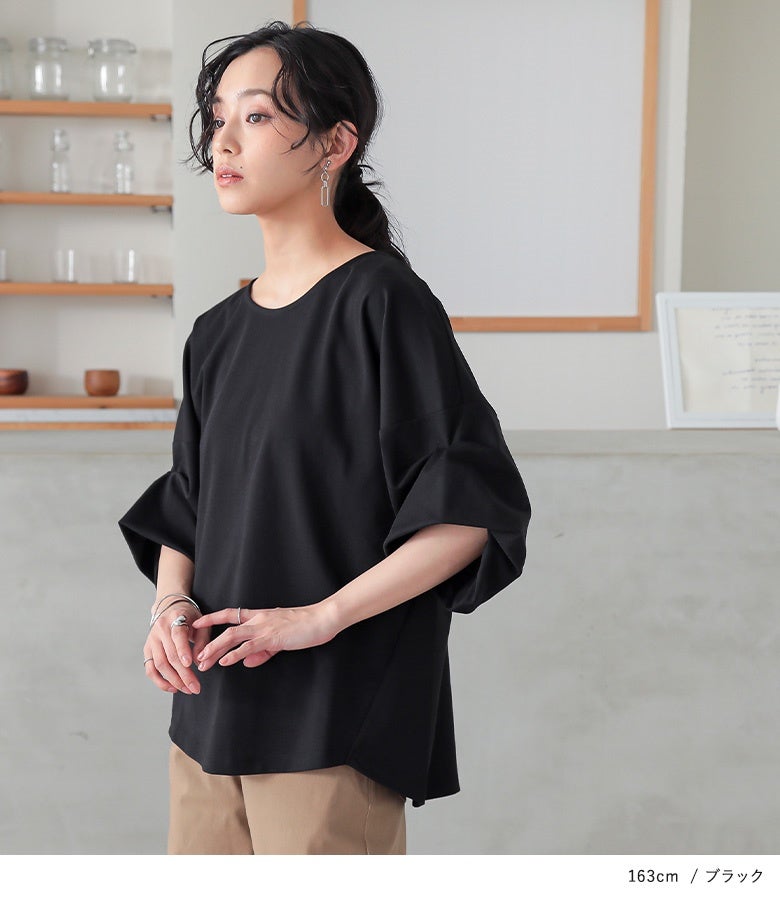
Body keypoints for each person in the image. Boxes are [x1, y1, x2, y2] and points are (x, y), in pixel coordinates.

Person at [118, 19, 532, 855]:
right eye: (219, 118)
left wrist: (318, 619)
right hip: (207, 714)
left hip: (333, 717)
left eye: (258, 116)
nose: (224, 141)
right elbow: (188, 504)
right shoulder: (217, 332)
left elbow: (469, 509)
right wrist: (170, 607)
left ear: (336, 143)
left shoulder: (383, 303)